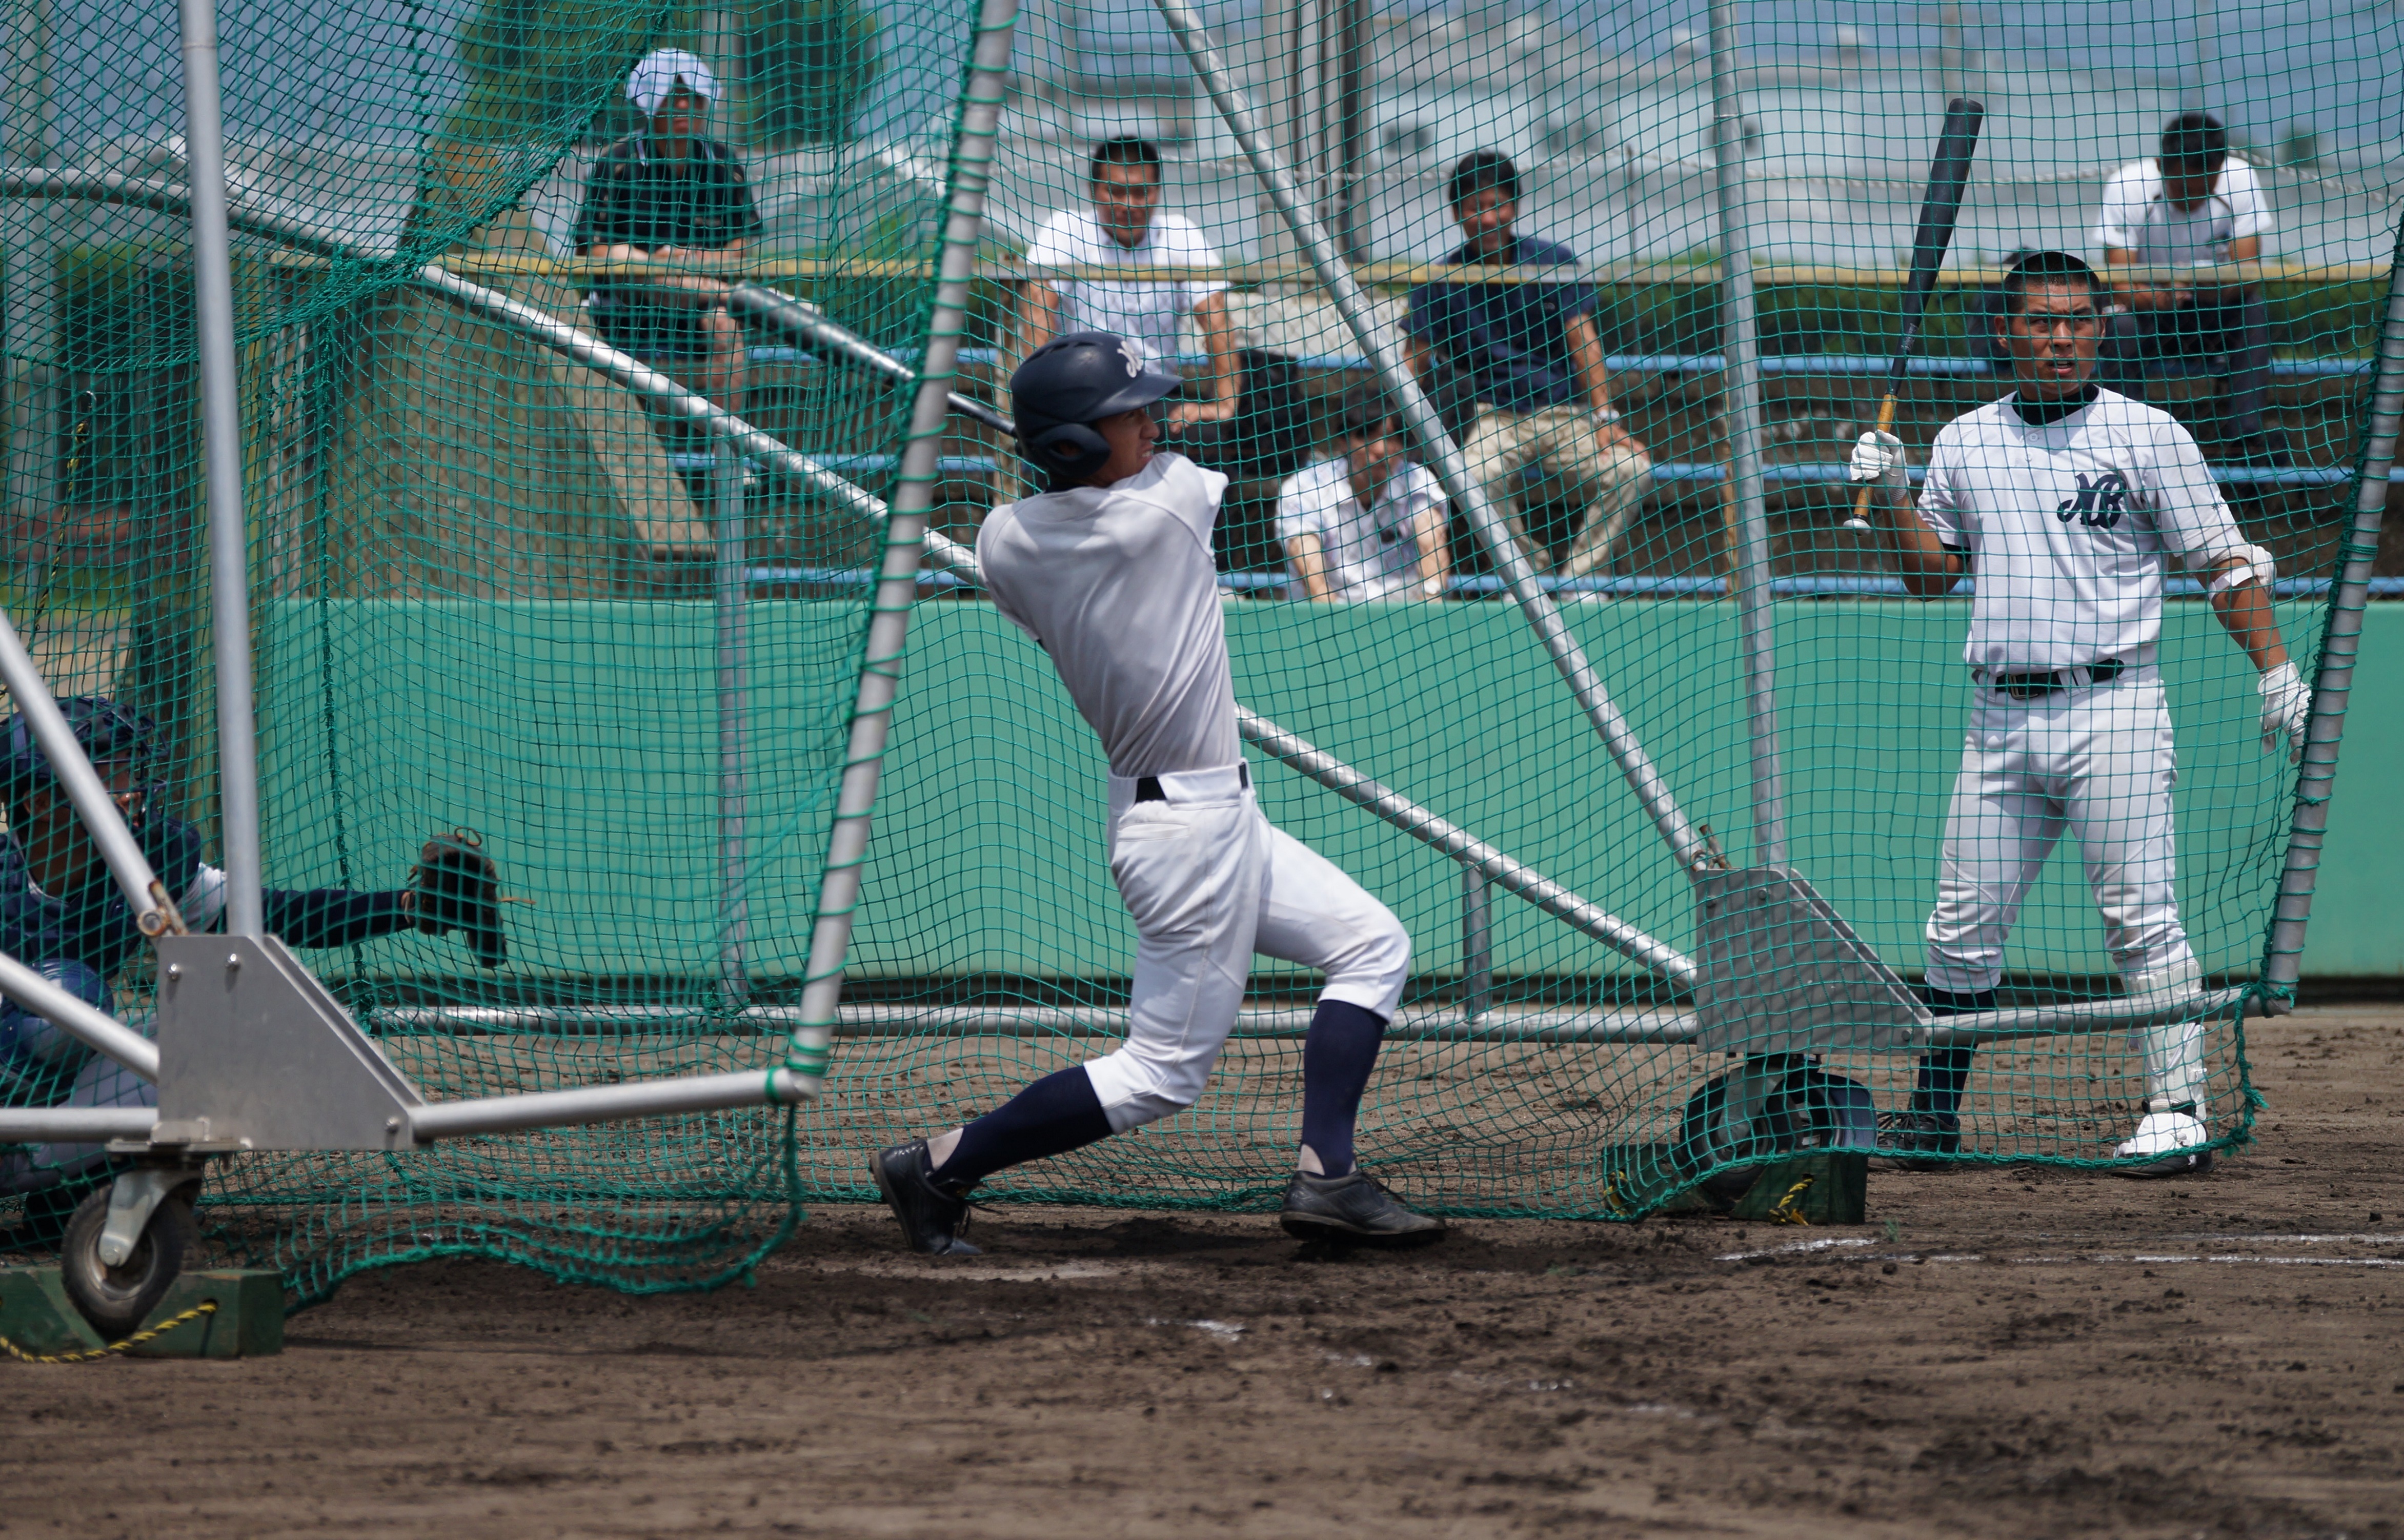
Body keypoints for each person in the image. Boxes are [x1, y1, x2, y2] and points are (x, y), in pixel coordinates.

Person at [870, 331, 1442, 1255]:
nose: (1149, 422)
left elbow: (1055, 523)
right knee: (1161, 1074)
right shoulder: (1165, 508)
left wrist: (1071, 447)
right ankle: (937, 1163)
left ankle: (1325, 1176)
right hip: (1189, 830)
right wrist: (1092, 451)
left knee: (1371, 944)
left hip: (1191, 811)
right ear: (1074, 444)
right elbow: (1159, 470)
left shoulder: (1002, 541)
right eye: (1126, 413)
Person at [1846, 251, 2310, 1180]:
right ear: (2004, 332)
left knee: (2140, 917)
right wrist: (1896, 494)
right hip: (1999, 715)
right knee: (1958, 926)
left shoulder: (2147, 434)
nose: (2058, 337)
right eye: (2038, 321)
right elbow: (1927, 577)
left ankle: (2175, 1111)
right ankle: (1933, 1120)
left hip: (2114, 705)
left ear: (2098, 327)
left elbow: (2220, 561)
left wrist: (2273, 667)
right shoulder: (1966, 439)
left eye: (2075, 319)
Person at [0, 698, 507, 1239]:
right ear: (40, 803)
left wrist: (407, 907)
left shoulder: (142, 865)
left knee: (219, 1036)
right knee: (67, 1001)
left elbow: (276, 914)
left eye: (128, 769)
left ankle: (69, 1206)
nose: (131, 789)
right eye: (109, 774)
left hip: (59, 1106)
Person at [1404, 151, 1650, 578]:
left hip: (1565, 414)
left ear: (1514, 207)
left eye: (1497, 205)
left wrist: (1605, 417)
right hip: (1491, 416)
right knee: (1472, 479)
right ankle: (1526, 577)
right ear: (1456, 214)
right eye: (1474, 208)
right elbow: (1414, 360)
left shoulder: (1553, 262)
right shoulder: (1441, 280)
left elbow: (1584, 342)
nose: (1487, 218)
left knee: (1633, 470)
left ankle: (1580, 578)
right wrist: (1389, 426)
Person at [571, 48, 762, 413]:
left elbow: (741, 246)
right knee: (642, 268)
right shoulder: (617, 162)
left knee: (726, 329)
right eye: (671, 97)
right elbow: (589, 250)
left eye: (692, 97)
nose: (683, 107)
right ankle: (753, 302)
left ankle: (726, 455)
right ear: (649, 104)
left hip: (700, 302)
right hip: (628, 303)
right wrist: (648, 261)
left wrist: (691, 260)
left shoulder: (724, 165)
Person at [1016, 138, 1240, 447]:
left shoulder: (1180, 233)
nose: (1129, 205)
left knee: (1207, 446)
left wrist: (1224, 405)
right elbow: (1037, 317)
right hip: (1085, 393)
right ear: (1094, 190)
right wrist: (1041, 405)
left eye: (1140, 192)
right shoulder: (1065, 229)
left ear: (1158, 192)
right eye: (1117, 192)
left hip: (1156, 393)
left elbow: (1217, 321)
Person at [2094, 111, 2280, 462]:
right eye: (2182, 188)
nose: (2192, 199)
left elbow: (2246, 273)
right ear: (2160, 165)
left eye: (2203, 188)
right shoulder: (2128, 185)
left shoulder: (2240, 179)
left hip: (2211, 314)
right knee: (2116, 325)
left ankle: (2246, 438)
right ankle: (2123, 442)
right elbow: (2119, 283)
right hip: (2147, 314)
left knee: (2253, 308)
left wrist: (2203, 293)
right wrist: (2165, 297)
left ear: (2220, 168)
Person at [1278, 388, 1451, 603]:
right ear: (1344, 441)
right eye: (1367, 436)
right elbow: (1312, 574)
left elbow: (1433, 548)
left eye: (1392, 438)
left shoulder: (1417, 481)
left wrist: (1431, 600)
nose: (1380, 449)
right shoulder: (1305, 486)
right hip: (1327, 614)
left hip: (1403, 613)